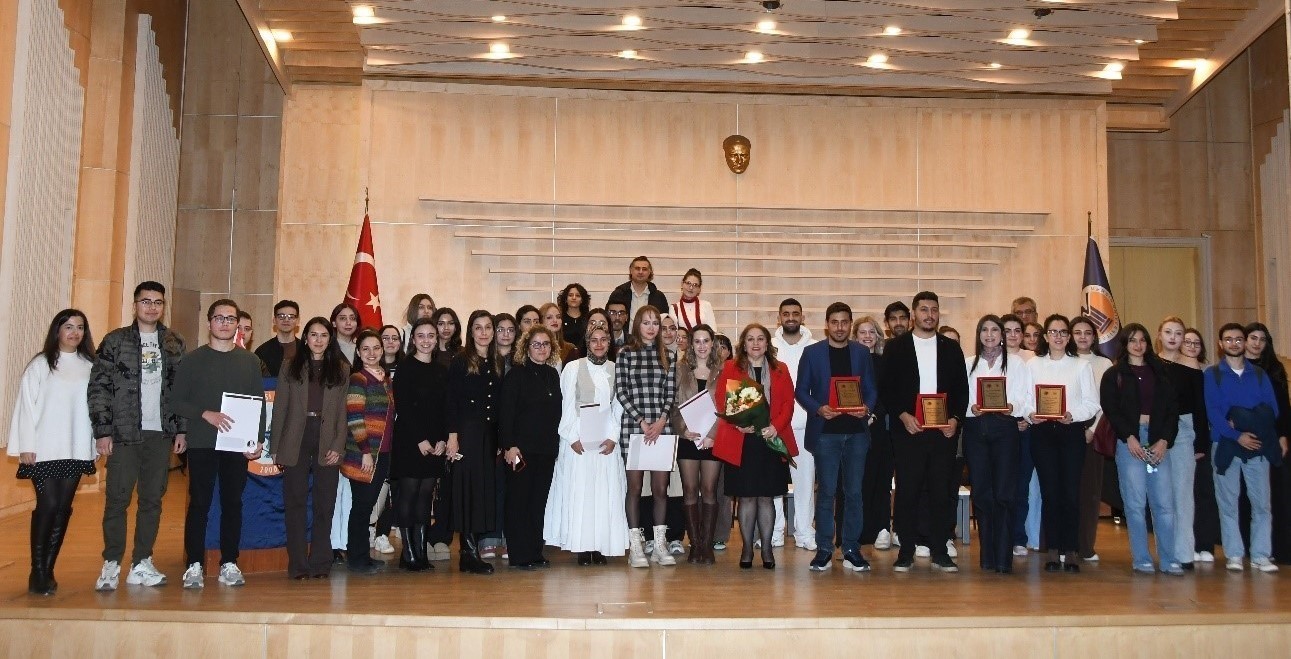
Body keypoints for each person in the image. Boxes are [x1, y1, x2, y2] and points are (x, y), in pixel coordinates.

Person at [90, 281, 186, 591]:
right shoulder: (115, 341)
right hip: (123, 433)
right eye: (146, 301)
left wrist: (181, 428)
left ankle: (141, 562)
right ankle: (111, 562)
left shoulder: (174, 343)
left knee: (152, 500)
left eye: (158, 302)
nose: (152, 307)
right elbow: (99, 387)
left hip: (160, 434)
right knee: (117, 499)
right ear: (135, 305)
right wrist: (103, 431)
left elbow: (181, 390)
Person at [173, 299, 267, 589]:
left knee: (233, 503)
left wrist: (258, 438)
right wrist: (205, 414)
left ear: (238, 324)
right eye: (219, 318)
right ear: (209, 322)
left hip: (236, 444)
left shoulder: (250, 361)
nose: (225, 323)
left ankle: (229, 562)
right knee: (200, 503)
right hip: (202, 442)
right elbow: (176, 401)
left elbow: (258, 403)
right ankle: (194, 564)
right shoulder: (192, 360)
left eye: (230, 319)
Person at [9, 309, 97, 595]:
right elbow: (26, 406)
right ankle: (36, 571)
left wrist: (94, 445)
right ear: (57, 330)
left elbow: (95, 409)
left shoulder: (90, 365)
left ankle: (48, 568)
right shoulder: (41, 364)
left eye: (80, 327)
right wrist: (26, 445)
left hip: (76, 448)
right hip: (44, 449)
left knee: (63, 508)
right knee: (47, 506)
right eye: (68, 326)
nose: (74, 332)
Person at [881, 292, 968, 573]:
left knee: (941, 492)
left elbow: (962, 390)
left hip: (943, 433)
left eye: (934, 310)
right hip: (909, 431)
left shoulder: (951, 348)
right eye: (924, 310)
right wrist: (903, 415)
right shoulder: (896, 347)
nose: (929, 315)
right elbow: (886, 388)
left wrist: (955, 419)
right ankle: (905, 551)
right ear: (914, 314)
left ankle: (940, 551)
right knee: (907, 491)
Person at [796, 303, 877, 571]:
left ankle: (851, 548)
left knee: (854, 492)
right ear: (826, 325)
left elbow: (871, 389)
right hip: (825, 433)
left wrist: (866, 408)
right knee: (826, 493)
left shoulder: (862, 352)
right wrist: (818, 408)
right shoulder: (812, 353)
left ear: (850, 324)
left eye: (844, 322)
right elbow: (801, 391)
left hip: (856, 434)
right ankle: (824, 549)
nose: (840, 327)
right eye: (835, 322)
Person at [270, 317, 349, 579]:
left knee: (324, 504)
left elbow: (343, 412)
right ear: (305, 338)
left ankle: (320, 563)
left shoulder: (341, 369)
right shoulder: (290, 366)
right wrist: (275, 447)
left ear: (330, 339)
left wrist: (338, 445)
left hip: (327, 439)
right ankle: (298, 565)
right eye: (313, 334)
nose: (318, 340)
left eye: (324, 335)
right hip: (296, 438)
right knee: (295, 503)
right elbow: (280, 408)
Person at [715, 323, 799, 569]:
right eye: (750, 339)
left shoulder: (780, 369)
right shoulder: (730, 367)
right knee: (746, 498)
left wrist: (775, 426)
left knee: (766, 498)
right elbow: (722, 401)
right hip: (742, 441)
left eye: (760, 338)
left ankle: (768, 549)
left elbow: (788, 404)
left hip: (770, 439)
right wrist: (738, 424)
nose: (755, 343)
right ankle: (746, 548)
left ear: (767, 343)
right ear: (743, 343)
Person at [1101, 323, 1182, 575]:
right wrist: (1129, 437)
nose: (1138, 345)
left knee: (1164, 505)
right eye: (1133, 340)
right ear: (1124, 344)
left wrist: (1164, 440)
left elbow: (1172, 411)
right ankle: (1142, 558)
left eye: (1142, 340)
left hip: (1158, 441)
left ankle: (1169, 559)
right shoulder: (1114, 374)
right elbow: (1111, 410)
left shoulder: (1161, 372)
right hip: (1129, 443)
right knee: (1135, 505)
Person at [546, 325, 628, 565]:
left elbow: (618, 407)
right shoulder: (573, 368)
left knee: (603, 494)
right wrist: (572, 437)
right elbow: (566, 405)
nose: (599, 344)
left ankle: (600, 547)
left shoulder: (616, 369)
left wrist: (613, 437)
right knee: (581, 494)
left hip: (605, 441)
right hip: (579, 441)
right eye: (594, 340)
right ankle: (582, 547)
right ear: (587, 343)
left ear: (609, 343)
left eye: (604, 340)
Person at [1205, 323, 1284, 572]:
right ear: (1221, 344)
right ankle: (1234, 555)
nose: (1234, 343)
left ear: (1244, 342)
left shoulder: (1259, 374)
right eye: (1228, 339)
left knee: (1262, 504)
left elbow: (1272, 409)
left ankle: (1260, 554)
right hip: (1225, 444)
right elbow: (1213, 411)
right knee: (1228, 503)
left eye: (1238, 339)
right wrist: (1236, 434)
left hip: (1257, 444)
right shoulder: (1213, 374)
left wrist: (1241, 420)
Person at [1026, 314, 1100, 573]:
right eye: (1053, 332)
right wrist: (1030, 413)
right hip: (1042, 433)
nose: (1058, 337)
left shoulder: (1081, 366)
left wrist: (1073, 415)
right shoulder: (1033, 365)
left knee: (1070, 492)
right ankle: (1053, 548)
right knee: (1050, 492)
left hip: (1071, 432)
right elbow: (1025, 398)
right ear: (1045, 336)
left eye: (1062, 332)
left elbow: (1092, 403)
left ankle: (1070, 549)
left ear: (1069, 337)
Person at [963, 315, 1034, 573]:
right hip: (976, 429)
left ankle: (1004, 557)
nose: (990, 334)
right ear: (979, 334)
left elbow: (1027, 396)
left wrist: (1013, 407)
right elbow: (962, 398)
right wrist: (971, 407)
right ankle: (987, 556)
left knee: (1005, 493)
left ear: (1002, 335)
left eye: (995, 330)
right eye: (985, 330)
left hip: (1005, 429)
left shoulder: (1016, 363)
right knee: (982, 492)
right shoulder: (969, 363)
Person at [615, 305, 677, 568]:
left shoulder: (669, 355)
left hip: (662, 429)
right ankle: (636, 547)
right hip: (634, 428)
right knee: (635, 488)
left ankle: (660, 545)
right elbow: (621, 391)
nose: (651, 328)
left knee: (661, 489)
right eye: (646, 322)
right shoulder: (625, 353)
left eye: (655, 323)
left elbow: (670, 393)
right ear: (637, 325)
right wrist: (641, 421)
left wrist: (661, 421)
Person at [498, 326, 563, 569]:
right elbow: (505, 414)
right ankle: (519, 554)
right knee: (519, 502)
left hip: (546, 451)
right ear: (526, 347)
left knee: (538, 502)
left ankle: (535, 551)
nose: (541, 348)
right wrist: (509, 445)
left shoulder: (552, 375)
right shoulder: (516, 375)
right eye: (536, 344)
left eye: (546, 344)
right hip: (520, 451)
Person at [390, 318, 449, 572]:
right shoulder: (405, 367)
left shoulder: (441, 370)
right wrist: (420, 440)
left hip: (435, 443)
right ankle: (409, 553)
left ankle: (420, 553)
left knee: (426, 496)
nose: (426, 340)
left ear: (437, 339)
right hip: (410, 441)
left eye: (431, 335)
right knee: (409, 495)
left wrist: (443, 439)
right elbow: (403, 407)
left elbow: (446, 409)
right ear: (413, 339)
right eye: (421, 335)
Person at [446, 310, 502, 574]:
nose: (483, 332)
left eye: (488, 327)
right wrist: (452, 437)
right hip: (466, 434)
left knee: (482, 491)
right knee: (467, 491)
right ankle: (467, 553)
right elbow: (451, 401)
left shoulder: (496, 361)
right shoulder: (460, 360)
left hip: (488, 435)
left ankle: (472, 551)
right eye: (478, 327)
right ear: (470, 332)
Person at [1157, 316, 1209, 569]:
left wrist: (1201, 443)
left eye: (1179, 333)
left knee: (1183, 494)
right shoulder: (1150, 363)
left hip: (1184, 432)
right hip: (1155, 431)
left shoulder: (1191, 366)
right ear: (1159, 335)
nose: (1173, 337)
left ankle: (1185, 553)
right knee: (1161, 496)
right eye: (1168, 332)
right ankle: (1166, 553)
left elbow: (1200, 407)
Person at [341, 330, 393, 575]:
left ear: (382, 351)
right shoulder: (358, 379)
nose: (372, 353)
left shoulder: (385, 378)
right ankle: (357, 558)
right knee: (361, 507)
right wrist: (365, 451)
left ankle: (363, 555)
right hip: (364, 454)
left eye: (376, 348)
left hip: (384, 452)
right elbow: (354, 417)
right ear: (359, 353)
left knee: (369, 505)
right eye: (366, 349)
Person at [670, 323, 723, 563]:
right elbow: (672, 405)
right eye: (697, 341)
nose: (702, 346)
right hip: (688, 439)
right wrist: (683, 429)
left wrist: (713, 434)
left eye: (706, 341)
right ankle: (695, 545)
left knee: (709, 490)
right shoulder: (680, 369)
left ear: (713, 344)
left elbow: (727, 406)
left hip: (712, 439)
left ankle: (707, 545)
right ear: (691, 344)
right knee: (690, 490)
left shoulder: (722, 371)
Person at [771, 299, 817, 551]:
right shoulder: (769, 347)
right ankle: (775, 530)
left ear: (802, 317)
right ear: (779, 318)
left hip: (806, 424)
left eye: (795, 314)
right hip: (775, 426)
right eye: (786, 314)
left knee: (806, 482)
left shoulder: (815, 347)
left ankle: (804, 531)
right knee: (774, 482)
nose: (791, 317)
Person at [1244, 322, 1291, 563]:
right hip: (1245, 437)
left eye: (1262, 339)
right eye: (1253, 338)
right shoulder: (1236, 367)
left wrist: (1283, 435)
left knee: (1277, 493)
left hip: (1272, 437)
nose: (1257, 343)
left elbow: (1283, 405)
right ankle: (1251, 547)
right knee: (1248, 495)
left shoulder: (1275, 368)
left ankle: (1279, 548)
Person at [1071, 316, 1113, 563]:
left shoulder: (1104, 363)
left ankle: (1085, 546)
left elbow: (1106, 403)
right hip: (1066, 431)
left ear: (1094, 337)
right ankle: (1063, 543)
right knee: (1065, 491)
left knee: (1089, 493)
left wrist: (1093, 430)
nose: (1082, 337)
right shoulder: (1064, 360)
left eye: (1087, 333)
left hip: (1092, 434)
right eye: (1077, 332)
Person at [853, 315, 893, 550]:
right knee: (858, 481)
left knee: (881, 479)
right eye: (862, 332)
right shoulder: (850, 361)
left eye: (872, 332)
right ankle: (860, 530)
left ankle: (882, 528)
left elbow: (887, 394)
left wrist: (873, 416)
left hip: (879, 428)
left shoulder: (885, 362)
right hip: (853, 428)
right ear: (855, 336)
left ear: (878, 337)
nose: (867, 336)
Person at [1003, 313, 1039, 556]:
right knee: (1001, 486)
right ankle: (1000, 536)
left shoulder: (1034, 359)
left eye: (1018, 330)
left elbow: (1036, 394)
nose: (1013, 335)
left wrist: (1026, 418)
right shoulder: (992, 358)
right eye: (1008, 330)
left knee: (1021, 487)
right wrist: (1010, 421)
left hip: (1027, 428)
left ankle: (1018, 537)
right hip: (1002, 428)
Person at [328, 302, 362, 563]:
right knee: (333, 489)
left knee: (350, 490)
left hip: (357, 426)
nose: (348, 322)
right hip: (333, 425)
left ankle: (347, 541)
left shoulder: (363, 351)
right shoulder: (327, 350)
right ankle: (331, 544)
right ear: (334, 322)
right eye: (343, 318)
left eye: (352, 318)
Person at [1182, 327, 1219, 562]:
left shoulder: (1210, 372)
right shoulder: (1172, 371)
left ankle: (1205, 544)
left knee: (1204, 492)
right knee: (1184, 494)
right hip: (1180, 439)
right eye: (1188, 342)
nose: (1192, 346)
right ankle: (1187, 545)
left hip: (1204, 438)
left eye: (1196, 343)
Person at [607, 256, 669, 320]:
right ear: (631, 270)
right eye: (637, 268)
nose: (640, 272)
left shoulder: (659, 297)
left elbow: (664, 320)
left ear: (649, 272)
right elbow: (609, 319)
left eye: (644, 269)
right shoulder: (618, 294)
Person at [254, 300, 302, 376]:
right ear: (274, 320)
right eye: (281, 316)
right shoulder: (262, 351)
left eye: (291, 317)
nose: (286, 320)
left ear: (297, 321)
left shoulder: (305, 350)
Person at [671, 268, 720, 336]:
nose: (691, 288)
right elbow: (674, 334)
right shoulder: (674, 308)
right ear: (682, 284)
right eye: (688, 283)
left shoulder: (706, 305)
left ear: (699, 289)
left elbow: (713, 332)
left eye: (695, 285)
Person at [559, 283, 590, 351]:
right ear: (565, 299)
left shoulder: (588, 319)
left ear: (582, 300)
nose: (574, 298)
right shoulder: (559, 318)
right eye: (570, 295)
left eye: (578, 296)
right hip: (564, 354)